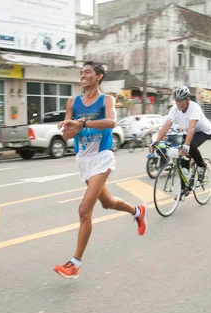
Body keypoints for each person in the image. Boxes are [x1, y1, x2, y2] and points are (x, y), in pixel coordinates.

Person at [53, 61, 148, 279]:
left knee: (84, 210)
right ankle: (137, 211)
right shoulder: (73, 102)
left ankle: (74, 263)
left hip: (102, 158)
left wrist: (82, 124)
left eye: (87, 72)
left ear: (99, 76)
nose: (83, 76)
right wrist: (69, 129)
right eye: (81, 73)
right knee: (108, 203)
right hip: (83, 160)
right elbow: (67, 136)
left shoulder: (107, 99)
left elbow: (111, 122)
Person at [150, 86, 211, 180]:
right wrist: (156, 142)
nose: (179, 103)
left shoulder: (195, 107)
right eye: (176, 100)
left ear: (187, 99)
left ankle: (201, 166)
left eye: (181, 100)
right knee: (181, 156)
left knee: (190, 147)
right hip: (188, 131)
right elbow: (166, 126)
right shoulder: (174, 109)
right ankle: (185, 187)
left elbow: (192, 127)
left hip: (203, 131)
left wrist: (187, 145)